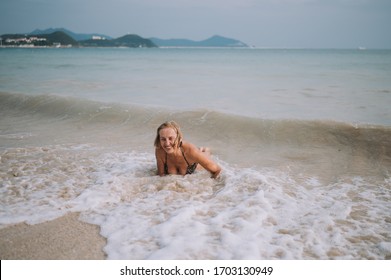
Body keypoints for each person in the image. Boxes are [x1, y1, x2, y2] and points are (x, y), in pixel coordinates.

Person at [154, 121, 221, 178]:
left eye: (171, 138)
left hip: (193, 160)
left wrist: (210, 188)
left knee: (205, 154)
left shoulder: (190, 151)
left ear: (179, 138)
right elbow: (161, 175)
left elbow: (217, 170)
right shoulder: (160, 150)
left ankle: (205, 150)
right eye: (163, 139)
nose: (167, 143)